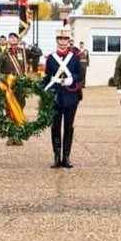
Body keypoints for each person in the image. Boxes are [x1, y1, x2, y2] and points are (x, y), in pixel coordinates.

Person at [44, 29, 84, 168]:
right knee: (55, 127)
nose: (62, 42)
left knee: (68, 127)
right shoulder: (51, 58)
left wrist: (71, 79)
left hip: (70, 97)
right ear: (56, 41)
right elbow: (47, 76)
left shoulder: (74, 58)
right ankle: (56, 156)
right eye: (60, 39)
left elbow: (80, 74)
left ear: (69, 41)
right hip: (55, 96)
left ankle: (66, 157)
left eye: (65, 39)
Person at [0, 33, 29, 147]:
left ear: (18, 39)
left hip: (20, 87)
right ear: (8, 40)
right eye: (10, 37)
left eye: (15, 37)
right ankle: (11, 136)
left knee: (19, 110)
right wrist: (2, 82)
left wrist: (30, 46)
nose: (12, 39)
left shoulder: (23, 52)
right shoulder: (4, 55)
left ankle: (18, 136)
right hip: (10, 87)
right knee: (10, 111)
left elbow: (38, 53)